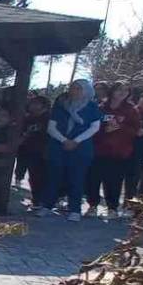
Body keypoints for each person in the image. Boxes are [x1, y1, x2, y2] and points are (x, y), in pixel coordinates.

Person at [38, 79, 102, 221]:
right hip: (58, 146)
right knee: (53, 177)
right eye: (73, 88)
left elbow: (94, 127)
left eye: (78, 88)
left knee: (76, 179)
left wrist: (76, 141)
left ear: (86, 91)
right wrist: (64, 140)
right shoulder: (61, 106)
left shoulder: (92, 107)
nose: (74, 91)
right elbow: (51, 127)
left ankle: (75, 209)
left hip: (81, 148)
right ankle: (47, 205)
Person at [85, 83, 142, 219]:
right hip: (99, 150)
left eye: (125, 90)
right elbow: (91, 127)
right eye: (119, 89)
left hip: (119, 152)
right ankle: (92, 206)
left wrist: (120, 127)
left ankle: (112, 208)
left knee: (114, 181)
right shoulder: (101, 108)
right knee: (93, 179)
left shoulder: (131, 110)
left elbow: (136, 130)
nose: (122, 92)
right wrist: (104, 130)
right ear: (112, 91)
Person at [16, 95, 51, 208]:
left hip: (42, 151)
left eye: (36, 103)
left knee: (41, 176)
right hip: (28, 150)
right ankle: (36, 200)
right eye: (32, 103)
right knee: (33, 176)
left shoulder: (48, 118)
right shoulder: (28, 118)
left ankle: (42, 200)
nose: (32, 105)